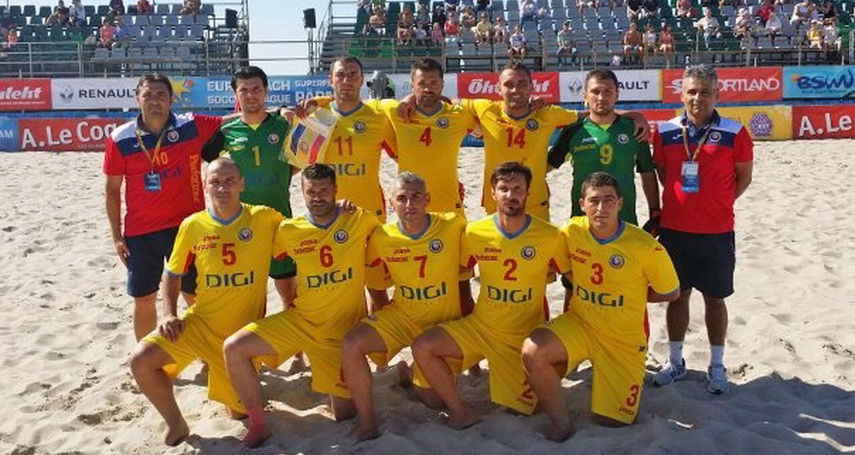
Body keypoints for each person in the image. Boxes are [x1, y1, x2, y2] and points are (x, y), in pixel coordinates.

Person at [128, 157, 284, 446]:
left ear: (242, 184)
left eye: (229, 181)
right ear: (205, 185)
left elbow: (306, 233)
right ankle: (176, 423)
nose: (222, 188)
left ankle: (233, 381)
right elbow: (173, 273)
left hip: (239, 341)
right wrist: (168, 313)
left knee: (238, 414)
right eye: (215, 181)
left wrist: (339, 209)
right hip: (200, 326)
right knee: (140, 360)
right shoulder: (193, 225)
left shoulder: (264, 218)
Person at [223, 164, 381, 448]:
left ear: (336, 190)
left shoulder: (359, 219)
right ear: (302, 192)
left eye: (324, 190)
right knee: (234, 348)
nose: (317, 197)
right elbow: (253, 249)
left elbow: (391, 242)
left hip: (339, 334)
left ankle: (390, 378)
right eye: (311, 191)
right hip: (301, 321)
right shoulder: (289, 230)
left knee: (344, 415)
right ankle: (259, 424)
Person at [521, 172, 679, 442]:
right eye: (594, 200)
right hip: (581, 324)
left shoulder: (643, 245)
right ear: (582, 204)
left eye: (609, 200)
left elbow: (671, 292)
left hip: (622, 340)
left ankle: (611, 381)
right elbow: (566, 269)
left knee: (611, 421)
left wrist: (632, 295)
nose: (601, 208)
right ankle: (561, 422)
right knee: (532, 352)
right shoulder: (572, 231)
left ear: (620, 203)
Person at [412, 162, 570, 429]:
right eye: (504, 188)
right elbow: (462, 277)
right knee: (426, 369)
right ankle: (460, 412)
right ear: (492, 193)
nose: (511, 195)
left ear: (528, 193)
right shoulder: (475, 232)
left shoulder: (550, 235)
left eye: (517, 189)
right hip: (481, 328)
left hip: (520, 336)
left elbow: (572, 280)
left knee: (526, 411)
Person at [650, 65, 753, 395]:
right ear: (681, 94)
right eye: (692, 91)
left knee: (715, 300)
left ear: (717, 94)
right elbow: (664, 173)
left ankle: (717, 365)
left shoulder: (735, 132)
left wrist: (717, 202)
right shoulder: (665, 131)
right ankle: (675, 361)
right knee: (676, 297)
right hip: (675, 230)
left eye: (705, 92)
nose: (698, 98)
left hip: (717, 232)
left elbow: (743, 177)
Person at [342, 172, 468, 441]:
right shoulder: (381, 236)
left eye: (415, 197)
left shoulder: (452, 225)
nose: (409, 204)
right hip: (402, 315)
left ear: (427, 200)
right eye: (401, 198)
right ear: (391, 203)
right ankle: (367, 423)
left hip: (440, 323)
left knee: (434, 401)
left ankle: (408, 373)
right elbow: (370, 277)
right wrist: (340, 209)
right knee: (352, 343)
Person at [103, 73, 225, 341]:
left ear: (171, 100)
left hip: (187, 228)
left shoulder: (190, 125)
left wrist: (281, 112)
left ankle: (206, 354)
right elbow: (112, 190)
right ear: (137, 99)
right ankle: (146, 355)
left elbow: (235, 120)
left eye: (161, 95)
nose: (154, 100)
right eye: (147, 95)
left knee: (194, 295)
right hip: (140, 233)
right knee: (144, 298)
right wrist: (116, 236)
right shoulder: (120, 138)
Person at [547, 68, 660, 308]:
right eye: (595, 91)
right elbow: (545, 167)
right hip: (582, 223)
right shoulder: (573, 131)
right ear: (585, 96)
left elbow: (647, 172)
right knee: (574, 286)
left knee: (625, 285)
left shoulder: (634, 130)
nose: (601, 97)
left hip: (624, 221)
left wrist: (655, 210)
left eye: (608, 92)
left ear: (617, 95)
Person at [202, 66, 299, 306]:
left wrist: (280, 174)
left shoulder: (284, 125)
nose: (250, 95)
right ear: (235, 94)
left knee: (289, 295)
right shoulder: (226, 131)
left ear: (266, 90)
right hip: (240, 223)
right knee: (249, 297)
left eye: (256, 89)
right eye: (243, 90)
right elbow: (205, 162)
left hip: (279, 218)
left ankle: (289, 333)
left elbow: (301, 160)